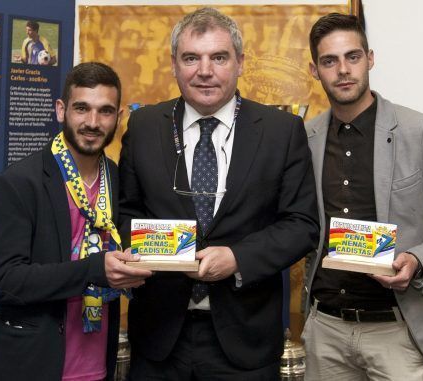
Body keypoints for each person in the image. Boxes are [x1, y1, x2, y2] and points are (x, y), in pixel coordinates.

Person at [118, 7, 319, 380]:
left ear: (240, 63)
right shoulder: (144, 126)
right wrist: (146, 248)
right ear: (174, 64)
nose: (205, 71)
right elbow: (127, 212)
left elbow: (301, 225)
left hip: (246, 341)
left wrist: (237, 258)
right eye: (191, 58)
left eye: (219, 57)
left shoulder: (281, 131)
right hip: (160, 339)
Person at [302, 13, 423, 380]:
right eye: (329, 61)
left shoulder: (420, 131)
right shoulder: (305, 138)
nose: (343, 70)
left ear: (370, 58)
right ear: (314, 70)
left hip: (396, 331)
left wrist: (417, 260)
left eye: (352, 57)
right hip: (326, 330)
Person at [0, 62, 152, 381]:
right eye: (81, 108)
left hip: (98, 367)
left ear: (118, 116)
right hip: (35, 367)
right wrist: (93, 270)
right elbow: (5, 281)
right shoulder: (21, 182)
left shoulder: (117, 180)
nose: (92, 122)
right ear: (61, 110)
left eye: (105, 111)